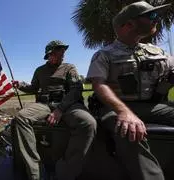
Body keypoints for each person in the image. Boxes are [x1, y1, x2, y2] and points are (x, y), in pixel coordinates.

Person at [87, 1, 174, 180]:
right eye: (150, 16)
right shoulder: (105, 54)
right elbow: (98, 84)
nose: (156, 19)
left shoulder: (158, 51)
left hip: (152, 106)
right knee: (128, 130)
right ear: (129, 24)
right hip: (115, 108)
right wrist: (124, 112)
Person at [13, 40, 97, 180]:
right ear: (49, 54)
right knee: (20, 118)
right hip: (45, 104)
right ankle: (35, 171)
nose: (62, 54)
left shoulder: (69, 68)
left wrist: (60, 109)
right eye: (59, 52)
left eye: (63, 52)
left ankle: (66, 172)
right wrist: (20, 85)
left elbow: (76, 89)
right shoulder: (39, 70)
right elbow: (33, 88)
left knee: (89, 123)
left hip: (68, 104)